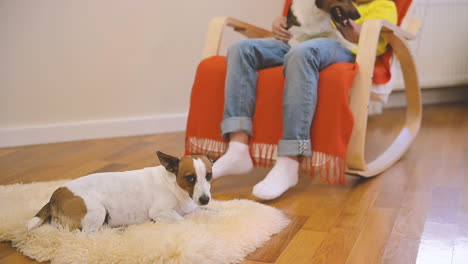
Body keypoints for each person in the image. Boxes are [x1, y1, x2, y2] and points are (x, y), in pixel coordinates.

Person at [212, 0, 397, 200]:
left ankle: (290, 161)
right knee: (241, 49)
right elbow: (301, 15)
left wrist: (345, 19)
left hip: (341, 48)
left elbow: (367, 41)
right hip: (297, 41)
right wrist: (280, 23)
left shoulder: (384, 6)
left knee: (302, 52)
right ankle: (237, 148)